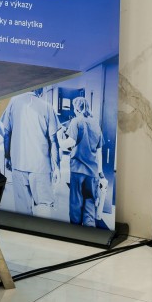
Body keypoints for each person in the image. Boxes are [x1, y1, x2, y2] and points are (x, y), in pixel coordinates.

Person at [3, 87, 61, 216]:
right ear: (40, 90)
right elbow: (54, 140)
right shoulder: (47, 107)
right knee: (44, 209)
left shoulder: (12, 103)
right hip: (41, 167)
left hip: (19, 164)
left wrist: (7, 157)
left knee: (22, 210)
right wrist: (57, 167)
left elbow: (6, 134)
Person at [67, 96, 104, 227]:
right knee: (90, 202)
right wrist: (100, 172)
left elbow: (70, 143)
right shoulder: (96, 124)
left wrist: (59, 142)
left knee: (76, 203)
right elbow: (99, 151)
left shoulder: (76, 121)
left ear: (77, 108)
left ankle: (75, 231)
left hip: (77, 170)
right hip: (92, 172)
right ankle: (89, 230)